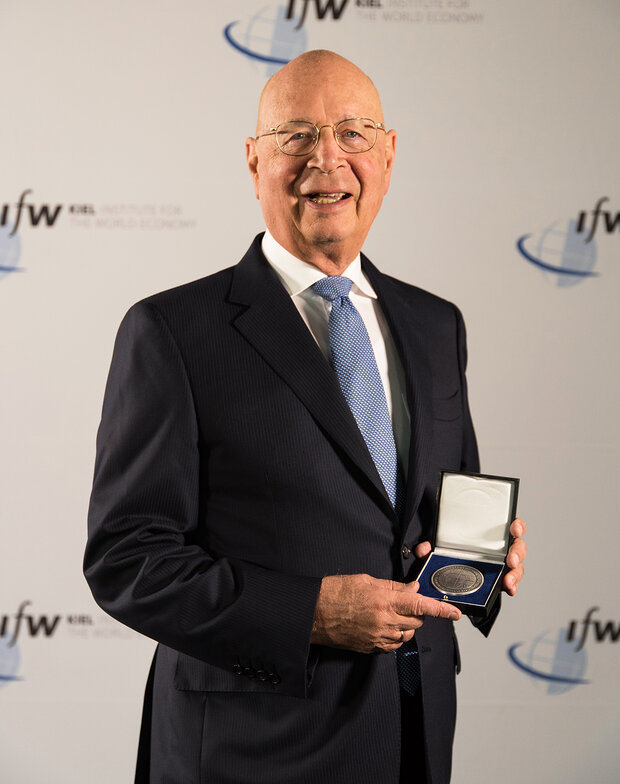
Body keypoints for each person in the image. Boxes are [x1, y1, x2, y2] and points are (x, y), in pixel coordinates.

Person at [84, 50, 526, 784]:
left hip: (413, 733)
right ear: (253, 160)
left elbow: (439, 511)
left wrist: (481, 561)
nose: (329, 158)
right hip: (247, 752)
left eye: (355, 132)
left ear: (388, 154)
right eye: (296, 135)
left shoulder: (433, 324)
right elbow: (127, 560)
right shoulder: (174, 330)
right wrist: (310, 613)